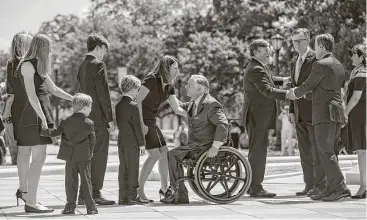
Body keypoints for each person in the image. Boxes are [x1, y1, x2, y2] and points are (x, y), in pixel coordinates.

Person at [10, 33, 73, 213]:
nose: (50, 51)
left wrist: (73, 98)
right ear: (41, 47)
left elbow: (53, 89)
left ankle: (30, 199)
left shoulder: (38, 66)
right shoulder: (28, 65)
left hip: (40, 114)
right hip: (33, 116)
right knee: (38, 159)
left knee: (39, 159)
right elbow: (31, 95)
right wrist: (43, 119)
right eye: (48, 47)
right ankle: (31, 201)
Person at [287, 34, 351, 201]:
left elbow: (308, 86)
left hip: (323, 113)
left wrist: (293, 93)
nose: (314, 50)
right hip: (336, 113)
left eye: (315, 46)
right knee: (331, 151)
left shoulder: (320, 64)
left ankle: (340, 187)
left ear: (322, 46)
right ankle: (330, 188)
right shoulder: (338, 64)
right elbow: (325, 90)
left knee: (324, 149)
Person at [161, 75, 228, 204]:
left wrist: (215, 146)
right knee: (173, 155)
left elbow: (223, 124)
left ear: (200, 88)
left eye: (189, 85)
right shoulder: (194, 104)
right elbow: (177, 108)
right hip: (196, 147)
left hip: (204, 148)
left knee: (173, 155)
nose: (185, 87)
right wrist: (170, 90)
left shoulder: (211, 104)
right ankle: (179, 192)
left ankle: (179, 194)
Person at [240, 39, 289, 198]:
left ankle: (252, 185)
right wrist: (289, 94)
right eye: (265, 50)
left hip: (257, 116)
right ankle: (255, 187)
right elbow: (267, 90)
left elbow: (269, 78)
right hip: (257, 117)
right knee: (258, 152)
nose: (269, 52)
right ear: (255, 53)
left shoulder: (259, 67)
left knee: (257, 151)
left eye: (269, 49)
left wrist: (284, 80)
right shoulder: (256, 69)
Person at [136, 55, 187, 202]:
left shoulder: (170, 85)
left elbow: (176, 107)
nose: (177, 71)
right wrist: (141, 124)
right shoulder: (151, 79)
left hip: (152, 120)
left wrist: (193, 114)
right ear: (167, 67)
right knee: (154, 155)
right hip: (142, 120)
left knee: (165, 153)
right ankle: (139, 191)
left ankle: (164, 189)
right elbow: (137, 101)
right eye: (175, 68)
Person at [40, 93, 98, 215]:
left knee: (70, 181)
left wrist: (43, 130)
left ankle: (70, 206)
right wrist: (91, 152)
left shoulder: (66, 121)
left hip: (70, 156)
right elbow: (93, 140)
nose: (91, 109)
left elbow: (55, 132)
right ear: (85, 107)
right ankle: (91, 207)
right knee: (86, 181)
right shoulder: (89, 123)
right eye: (91, 106)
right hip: (84, 156)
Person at [76, 34, 115, 205]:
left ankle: (83, 194)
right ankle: (94, 193)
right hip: (98, 118)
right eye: (105, 49)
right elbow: (103, 93)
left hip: (84, 116)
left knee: (87, 156)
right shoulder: (98, 65)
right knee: (99, 155)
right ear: (98, 47)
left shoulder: (81, 66)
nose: (105, 54)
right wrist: (110, 118)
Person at [288, 28, 326, 196]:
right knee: (304, 151)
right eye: (294, 41)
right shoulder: (294, 61)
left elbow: (316, 85)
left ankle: (320, 186)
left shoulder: (315, 59)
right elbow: (292, 87)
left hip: (313, 111)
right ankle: (309, 184)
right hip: (298, 113)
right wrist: (291, 109)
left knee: (317, 151)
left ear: (308, 40)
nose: (297, 44)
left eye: (300, 40)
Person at [115, 75, 148, 205]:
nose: (138, 92)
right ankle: (133, 197)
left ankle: (122, 197)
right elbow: (137, 127)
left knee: (123, 168)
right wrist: (142, 143)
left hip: (121, 140)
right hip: (133, 142)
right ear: (133, 88)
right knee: (133, 169)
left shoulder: (118, 105)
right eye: (138, 89)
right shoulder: (133, 105)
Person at [344, 44, 366, 199]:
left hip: (360, 114)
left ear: (362, 57)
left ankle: (364, 186)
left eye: (353, 54)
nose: (351, 57)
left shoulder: (361, 73)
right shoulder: (358, 72)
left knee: (362, 151)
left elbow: (356, 97)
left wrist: (345, 113)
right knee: (362, 151)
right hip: (359, 114)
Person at [2, 92, 17, 165]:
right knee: (9, 142)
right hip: (5, 121)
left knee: (13, 141)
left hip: (11, 121)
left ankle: (16, 161)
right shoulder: (6, 97)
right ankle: (14, 160)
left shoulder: (13, 95)